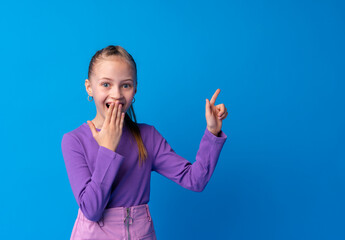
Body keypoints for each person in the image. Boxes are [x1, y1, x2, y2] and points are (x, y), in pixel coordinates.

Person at [61, 45, 228, 240]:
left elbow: (195, 180)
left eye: (126, 85)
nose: (116, 94)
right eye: (106, 84)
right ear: (89, 87)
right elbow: (92, 210)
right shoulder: (74, 141)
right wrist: (108, 148)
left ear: (135, 89)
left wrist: (212, 132)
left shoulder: (147, 136)